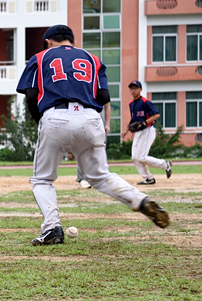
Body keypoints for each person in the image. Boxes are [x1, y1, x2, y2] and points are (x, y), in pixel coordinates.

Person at [16, 24, 169, 246]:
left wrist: (42, 121)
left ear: (48, 42)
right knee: (100, 176)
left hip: (55, 115)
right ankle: (141, 200)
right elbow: (103, 94)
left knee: (42, 179)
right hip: (90, 117)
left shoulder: (40, 57)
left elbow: (30, 96)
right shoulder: (92, 59)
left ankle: (52, 227)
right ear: (73, 42)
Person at [121, 80, 172, 185]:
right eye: (131, 88)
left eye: (136, 88)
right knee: (135, 158)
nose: (133, 90)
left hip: (148, 130)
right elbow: (134, 119)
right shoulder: (131, 104)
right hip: (139, 132)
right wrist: (126, 130)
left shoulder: (145, 102)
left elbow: (156, 115)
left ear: (140, 89)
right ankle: (149, 178)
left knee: (142, 157)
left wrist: (145, 122)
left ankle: (165, 164)